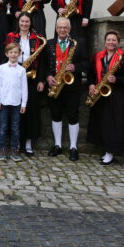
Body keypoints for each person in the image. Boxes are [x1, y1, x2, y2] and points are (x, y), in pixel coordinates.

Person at [87, 30, 124, 165]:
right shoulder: (97, 56)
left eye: (114, 40)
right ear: (105, 41)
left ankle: (110, 152)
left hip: (116, 95)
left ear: (118, 42)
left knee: (113, 123)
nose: (111, 42)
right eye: (109, 40)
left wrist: (117, 79)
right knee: (102, 122)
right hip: (100, 93)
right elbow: (90, 73)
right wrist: (91, 85)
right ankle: (105, 149)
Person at [45, 17, 89, 161]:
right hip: (55, 84)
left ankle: (73, 147)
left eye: (65, 27)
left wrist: (76, 67)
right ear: (56, 28)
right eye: (60, 27)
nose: (62, 30)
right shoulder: (49, 44)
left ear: (69, 29)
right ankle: (57, 145)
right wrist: (47, 77)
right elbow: (43, 65)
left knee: (73, 115)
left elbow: (87, 62)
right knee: (56, 115)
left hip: (72, 85)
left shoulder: (79, 43)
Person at [5, 12, 46, 156]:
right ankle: (16, 142)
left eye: (27, 21)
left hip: (31, 75)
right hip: (15, 72)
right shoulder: (11, 36)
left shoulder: (37, 38)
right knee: (15, 108)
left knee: (31, 110)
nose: (24, 24)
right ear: (18, 22)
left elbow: (42, 62)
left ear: (31, 23)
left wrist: (41, 79)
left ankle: (28, 143)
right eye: (22, 21)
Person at [0, 42, 28, 162]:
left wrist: (23, 104)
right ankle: (2, 149)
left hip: (16, 103)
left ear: (19, 54)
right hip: (3, 102)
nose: (13, 54)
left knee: (15, 127)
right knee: (3, 127)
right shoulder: (1, 68)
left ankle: (14, 149)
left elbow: (24, 88)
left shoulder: (22, 70)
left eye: (15, 52)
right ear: (7, 54)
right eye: (11, 52)